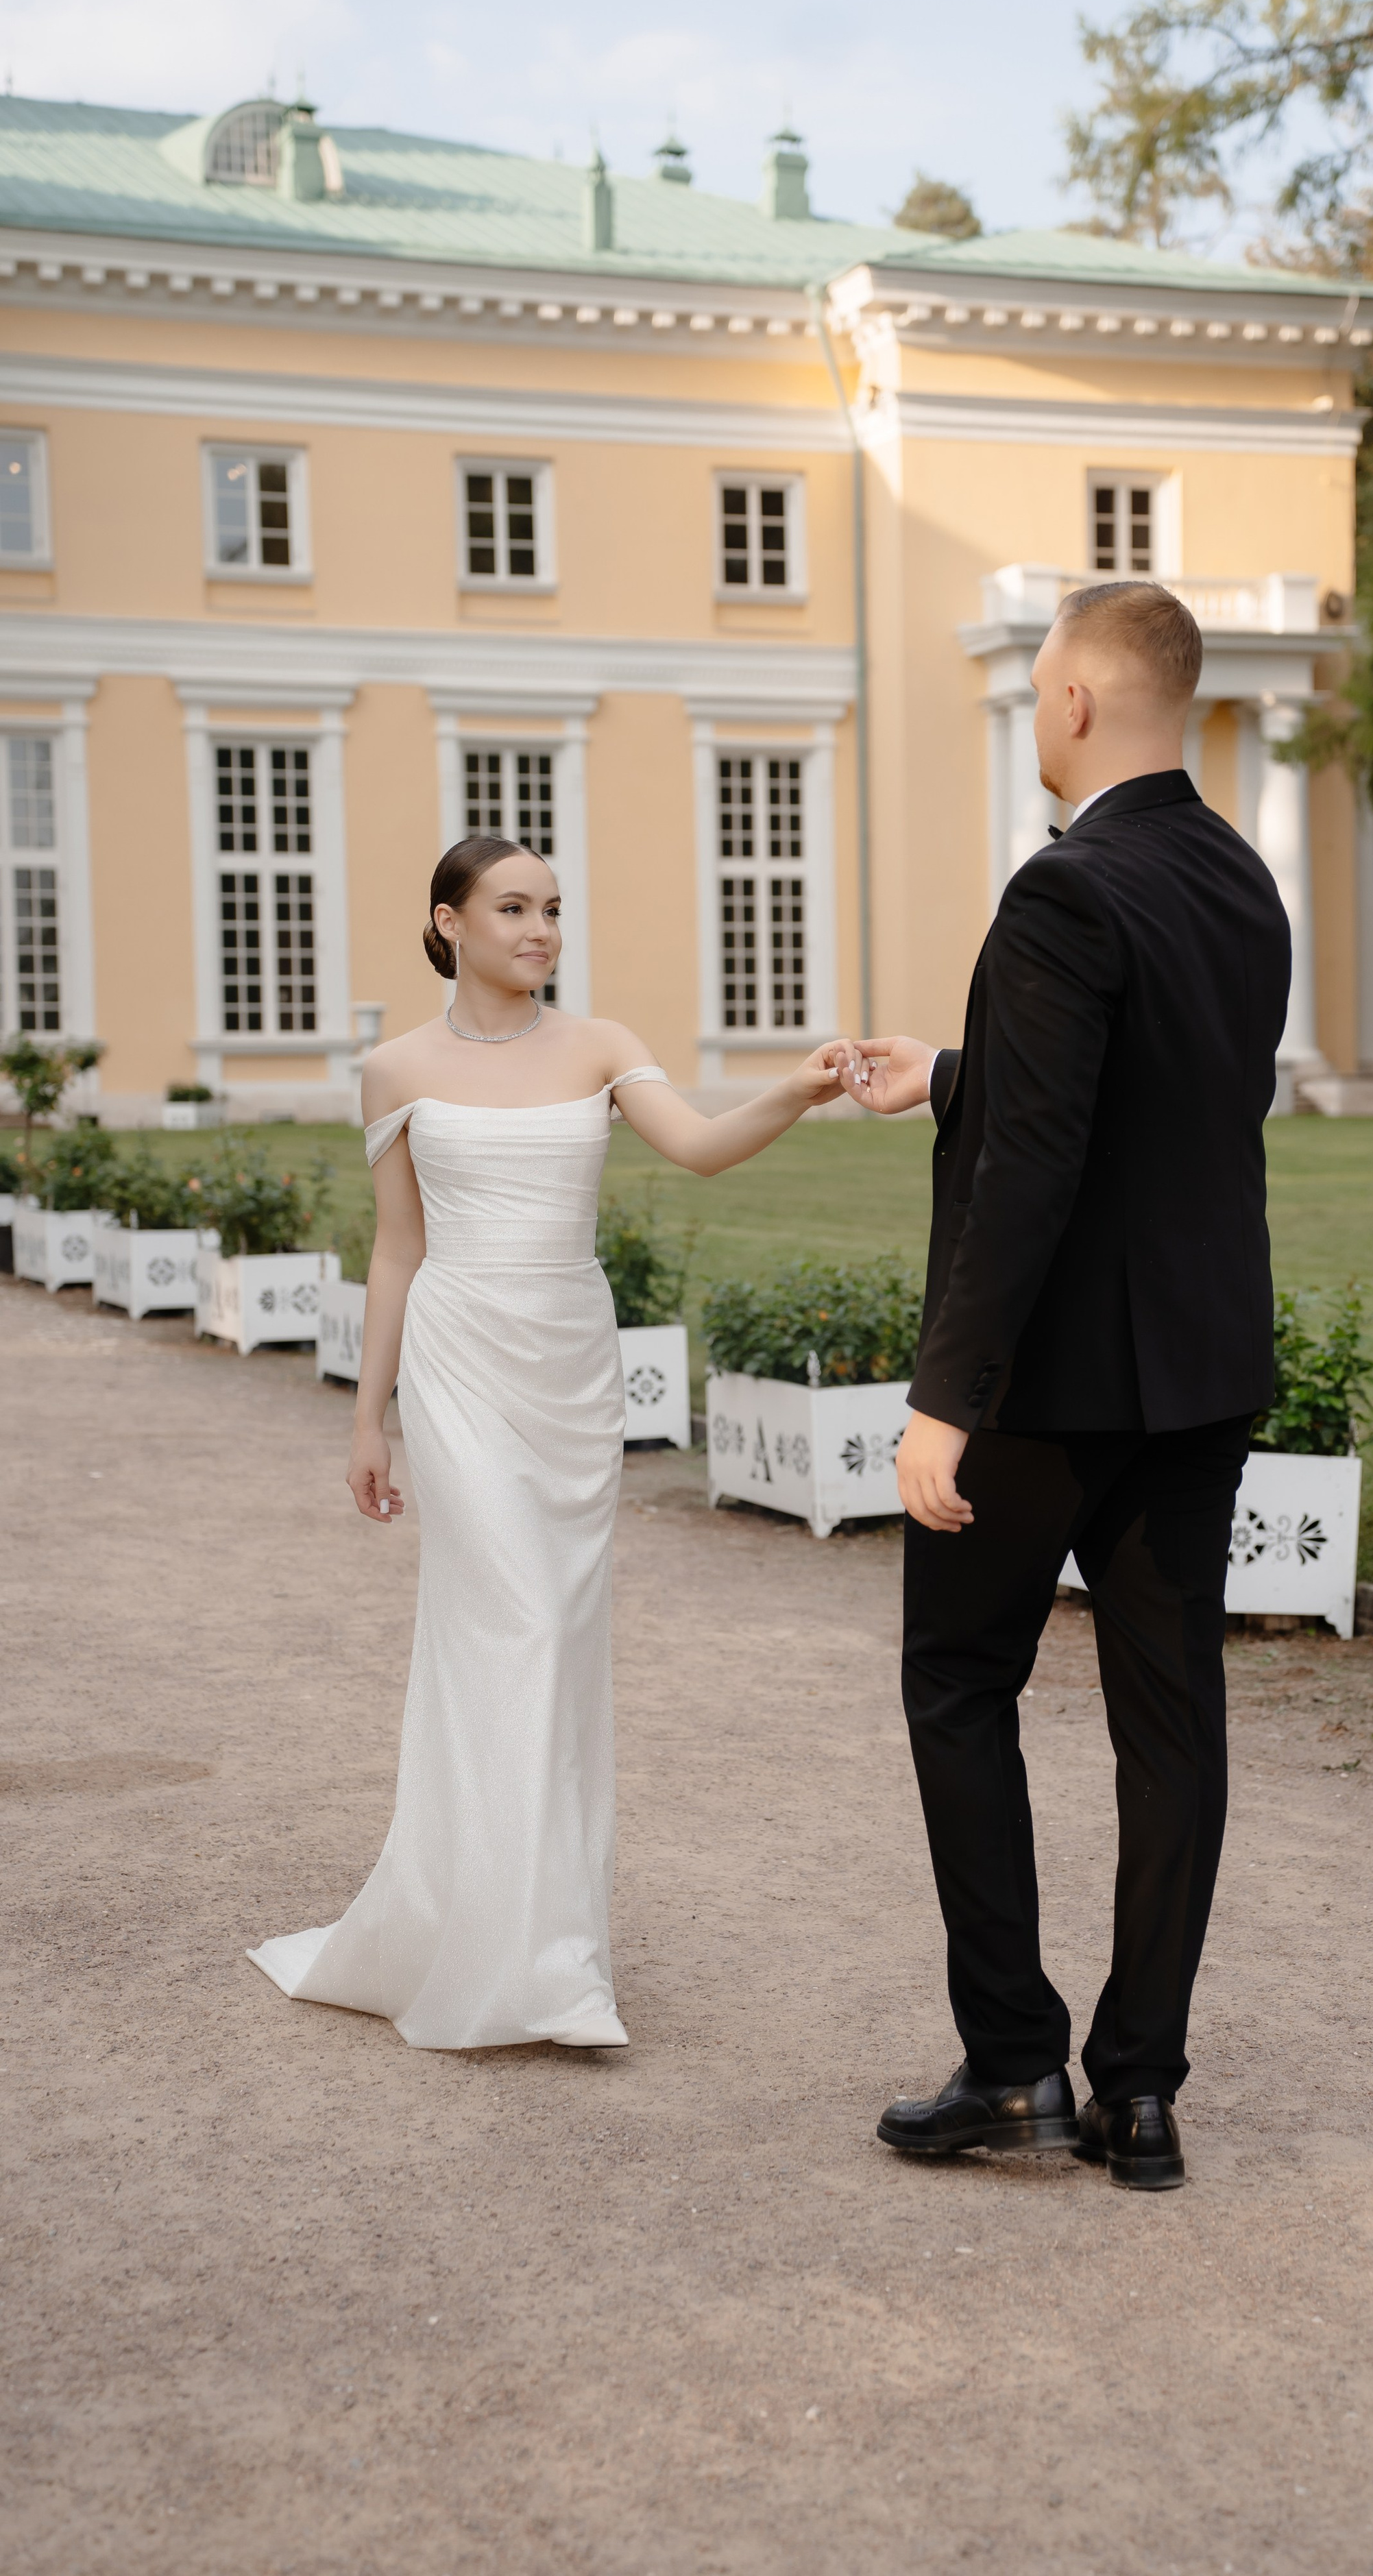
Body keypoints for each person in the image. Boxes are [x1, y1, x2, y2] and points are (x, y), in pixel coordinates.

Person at [248, 834, 849, 2050]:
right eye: (514, 908)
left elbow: (696, 1146)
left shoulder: (602, 1046)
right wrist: (372, 1414)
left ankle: (543, 1944)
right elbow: (396, 1250)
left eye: (554, 911)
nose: (540, 931)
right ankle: (529, 1966)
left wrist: (797, 1087)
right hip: (461, 1362)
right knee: (511, 1619)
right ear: (448, 922)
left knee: (557, 1643)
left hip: (572, 1364)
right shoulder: (394, 1068)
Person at [840, 581, 1291, 2189]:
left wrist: (942, 1396)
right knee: (1171, 1726)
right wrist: (949, 1074)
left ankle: (1017, 2068)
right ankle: (1143, 2090)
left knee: (957, 1687)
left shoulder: (1057, 892)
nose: (1034, 718)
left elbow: (1038, 1168)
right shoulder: (1240, 883)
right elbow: (1145, 1109)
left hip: (1039, 1397)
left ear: (1084, 703)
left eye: (1039, 693)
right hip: (1196, 1380)